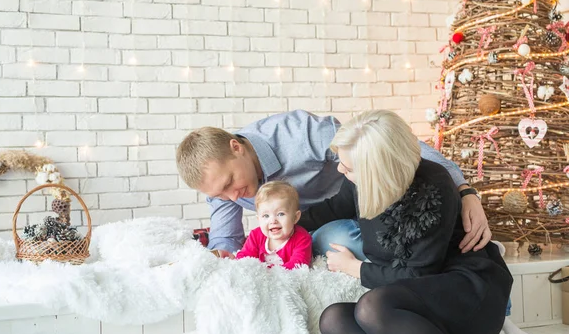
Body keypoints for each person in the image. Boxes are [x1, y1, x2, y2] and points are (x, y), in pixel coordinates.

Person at [299, 110, 512, 334]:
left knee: (373, 308)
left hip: (465, 292)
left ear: (377, 170)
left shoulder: (432, 187)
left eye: (348, 166)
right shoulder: (359, 181)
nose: (339, 168)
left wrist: (354, 268)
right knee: (334, 320)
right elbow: (333, 207)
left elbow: (418, 273)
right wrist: (286, 221)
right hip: (416, 298)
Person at [175, 110, 491, 256]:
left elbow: (388, 145)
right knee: (333, 237)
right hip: (316, 226)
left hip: (368, 206)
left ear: (236, 147)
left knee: (342, 235)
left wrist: (464, 189)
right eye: (221, 195)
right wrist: (221, 254)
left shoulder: (299, 134)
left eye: (232, 182)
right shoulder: (221, 189)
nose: (233, 196)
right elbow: (226, 241)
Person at [235, 181, 312, 269]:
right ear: (259, 219)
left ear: (295, 217)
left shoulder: (302, 238)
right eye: (266, 216)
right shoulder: (255, 236)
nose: (273, 221)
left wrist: (270, 273)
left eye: (280, 214)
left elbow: (298, 265)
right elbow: (244, 258)